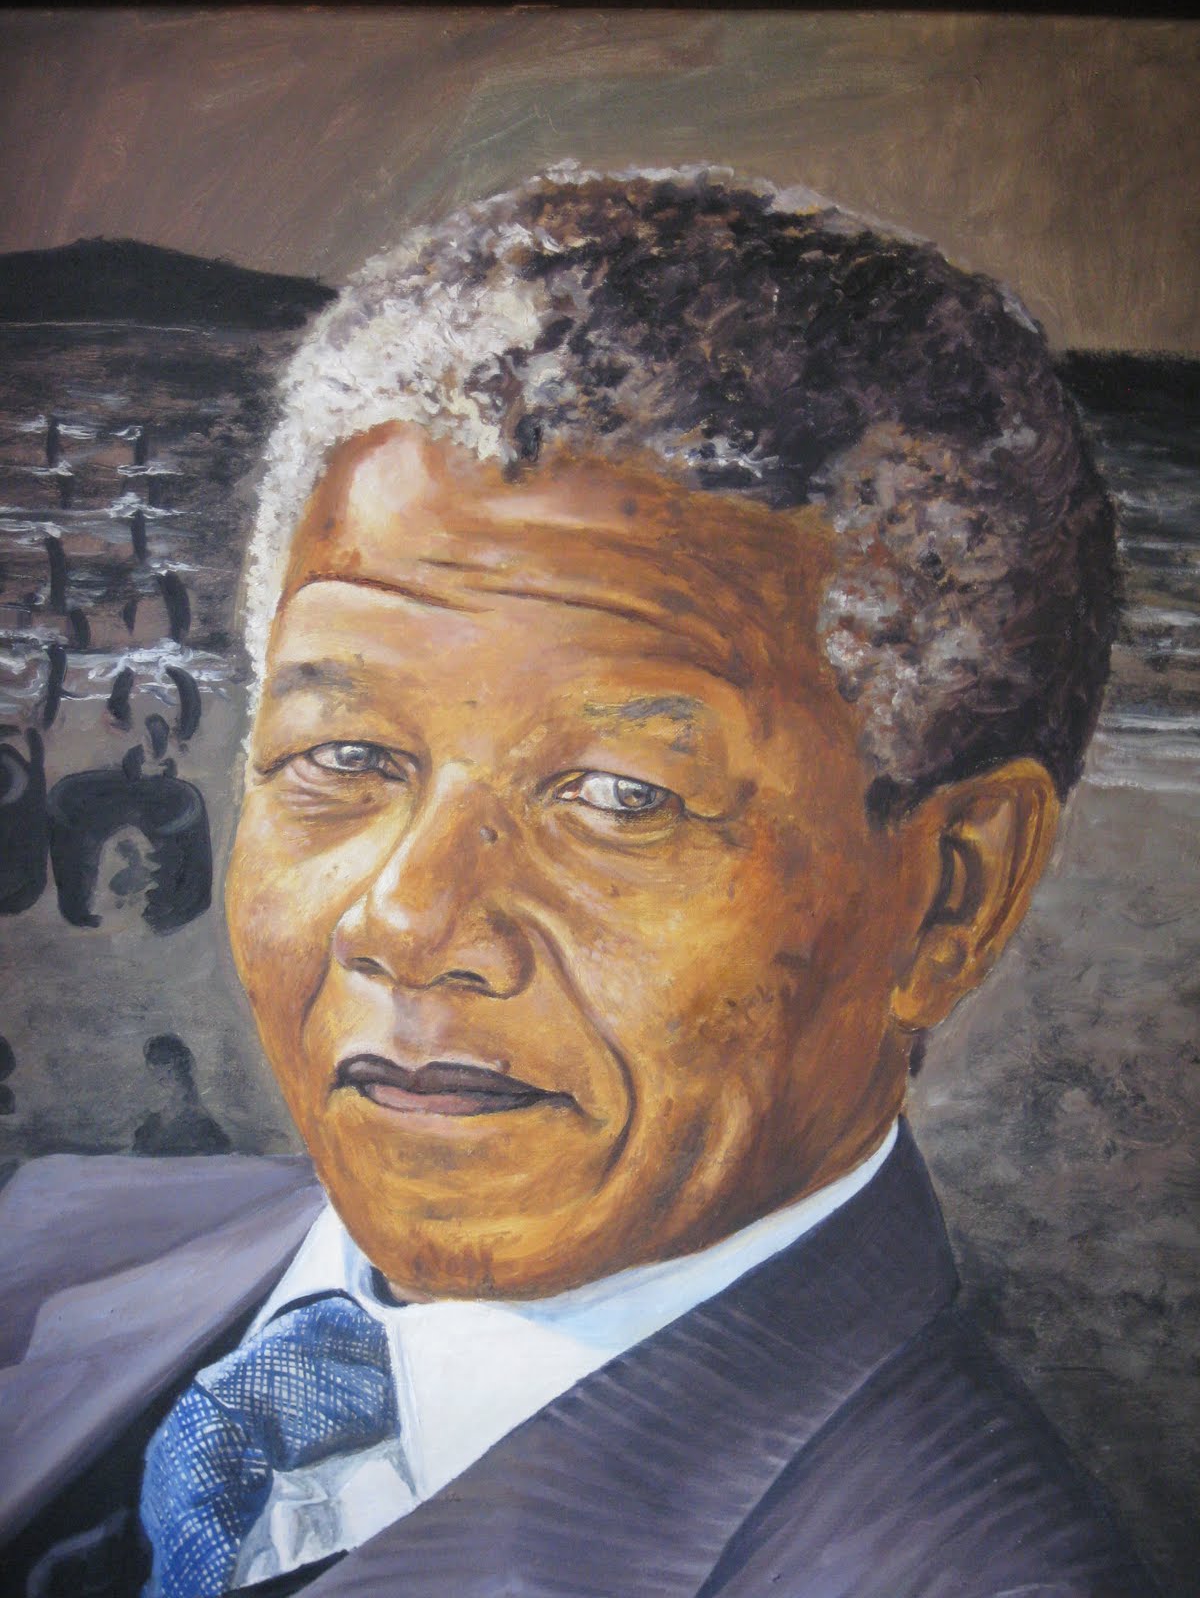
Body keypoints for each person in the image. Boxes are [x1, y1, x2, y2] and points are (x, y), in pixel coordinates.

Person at [0, 167, 1159, 1597]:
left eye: (621, 797)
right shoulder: (46, 1244)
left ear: (950, 897)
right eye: (345, 755)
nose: (408, 919)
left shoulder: (950, 1568)